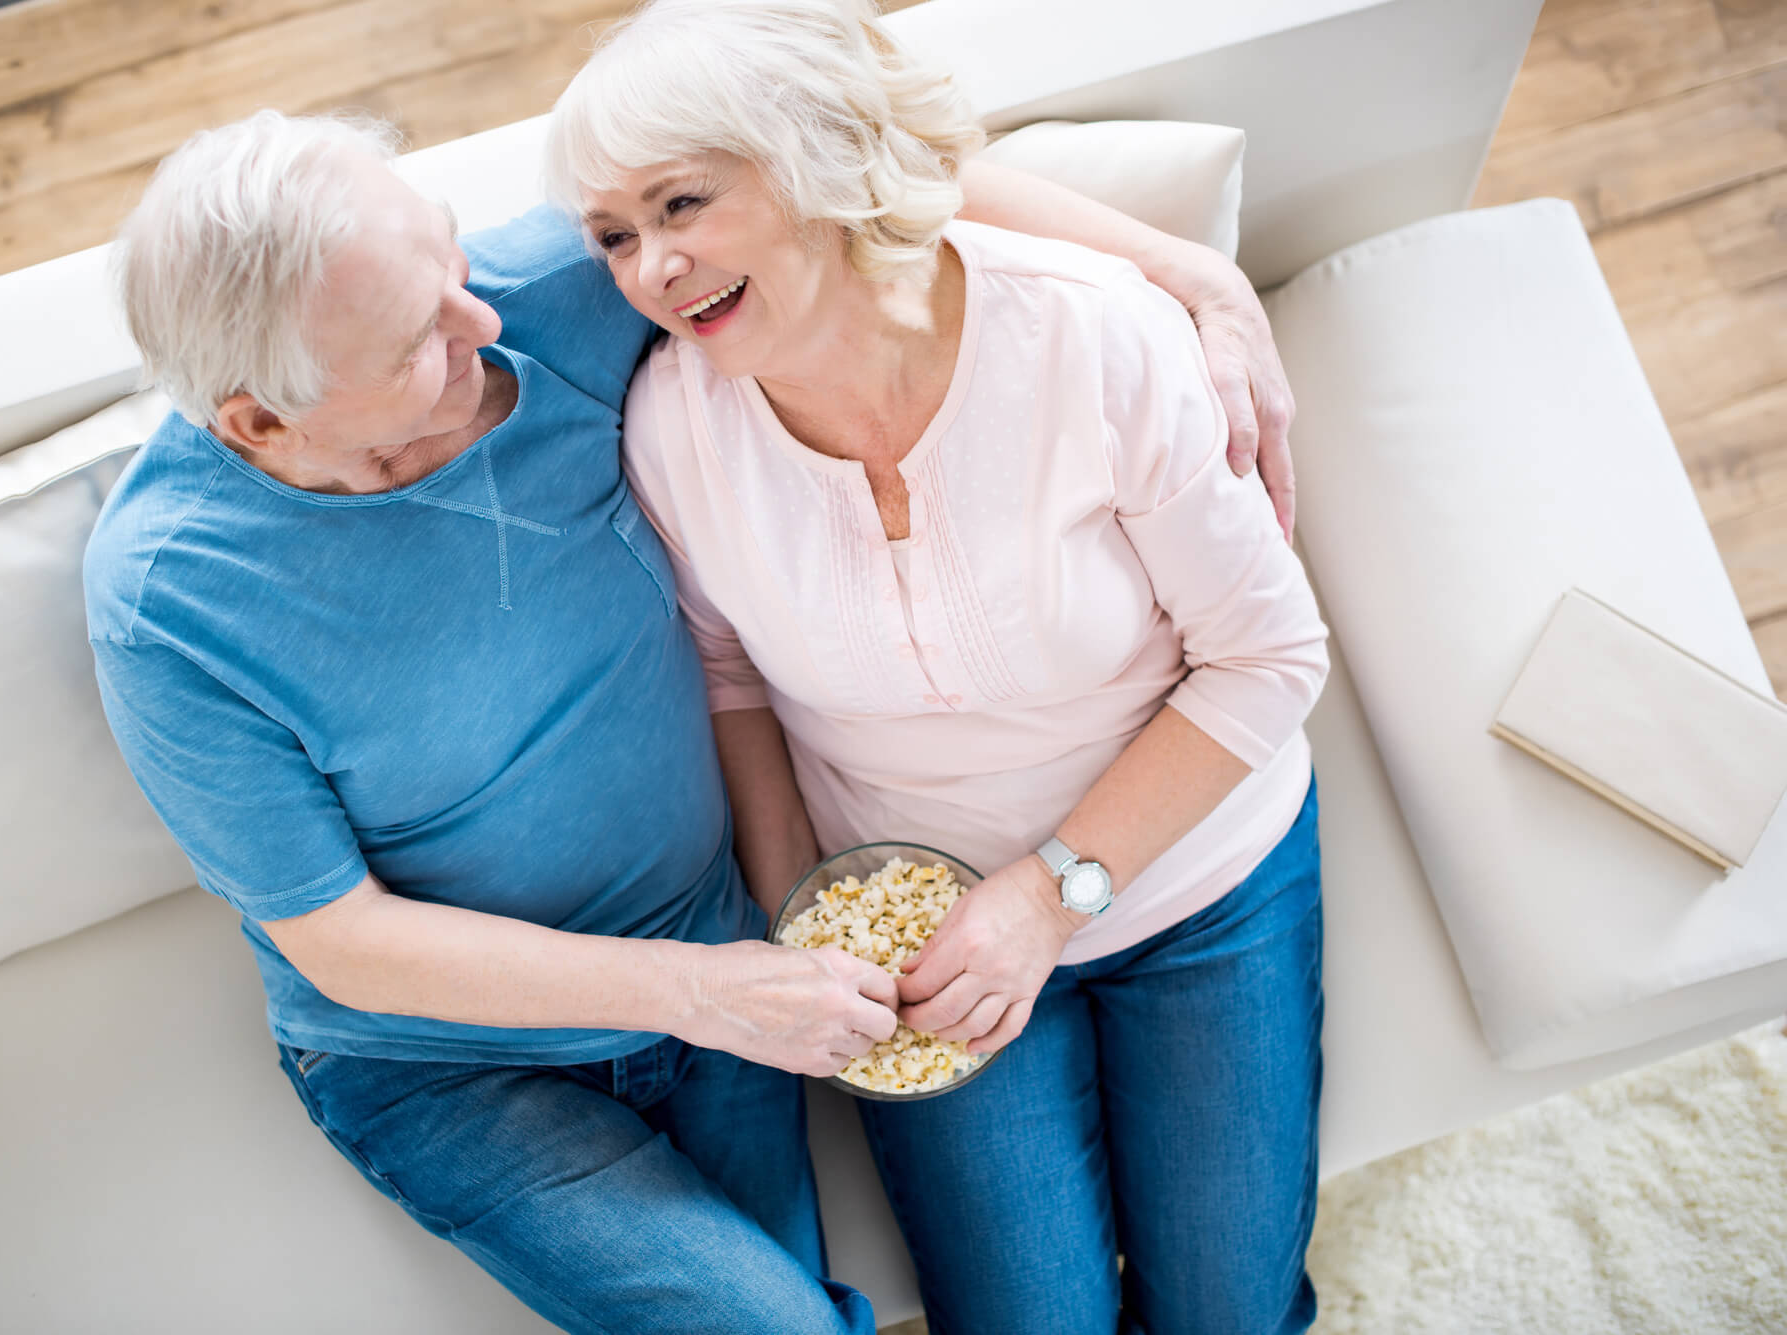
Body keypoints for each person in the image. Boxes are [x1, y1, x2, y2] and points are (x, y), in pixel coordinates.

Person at [83, 94, 1297, 1335]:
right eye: (416, 346)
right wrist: (710, 992)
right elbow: (341, 942)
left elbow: (834, 161)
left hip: (716, 950)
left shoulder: (543, 298)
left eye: (449, 263)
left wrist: (1188, 275)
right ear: (259, 421)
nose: (482, 320)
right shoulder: (171, 602)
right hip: (454, 1058)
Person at [544, 2, 1331, 1333]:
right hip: (911, 921)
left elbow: (1267, 655)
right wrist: (807, 908)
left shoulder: (1094, 338)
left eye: (684, 203)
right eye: (614, 236)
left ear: (815, 164)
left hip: (1196, 876)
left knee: (1230, 1318)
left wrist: (1050, 892)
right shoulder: (677, 430)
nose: (653, 267)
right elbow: (732, 673)